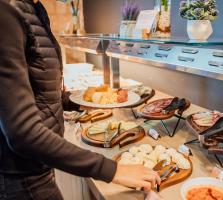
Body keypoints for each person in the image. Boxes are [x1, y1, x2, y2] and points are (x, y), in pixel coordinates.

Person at [0, 0, 160, 199]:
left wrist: (79, 101)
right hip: (22, 178)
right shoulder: (6, 12)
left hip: (39, 165)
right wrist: (113, 170)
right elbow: (22, 132)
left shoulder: (34, 9)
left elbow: (39, 94)